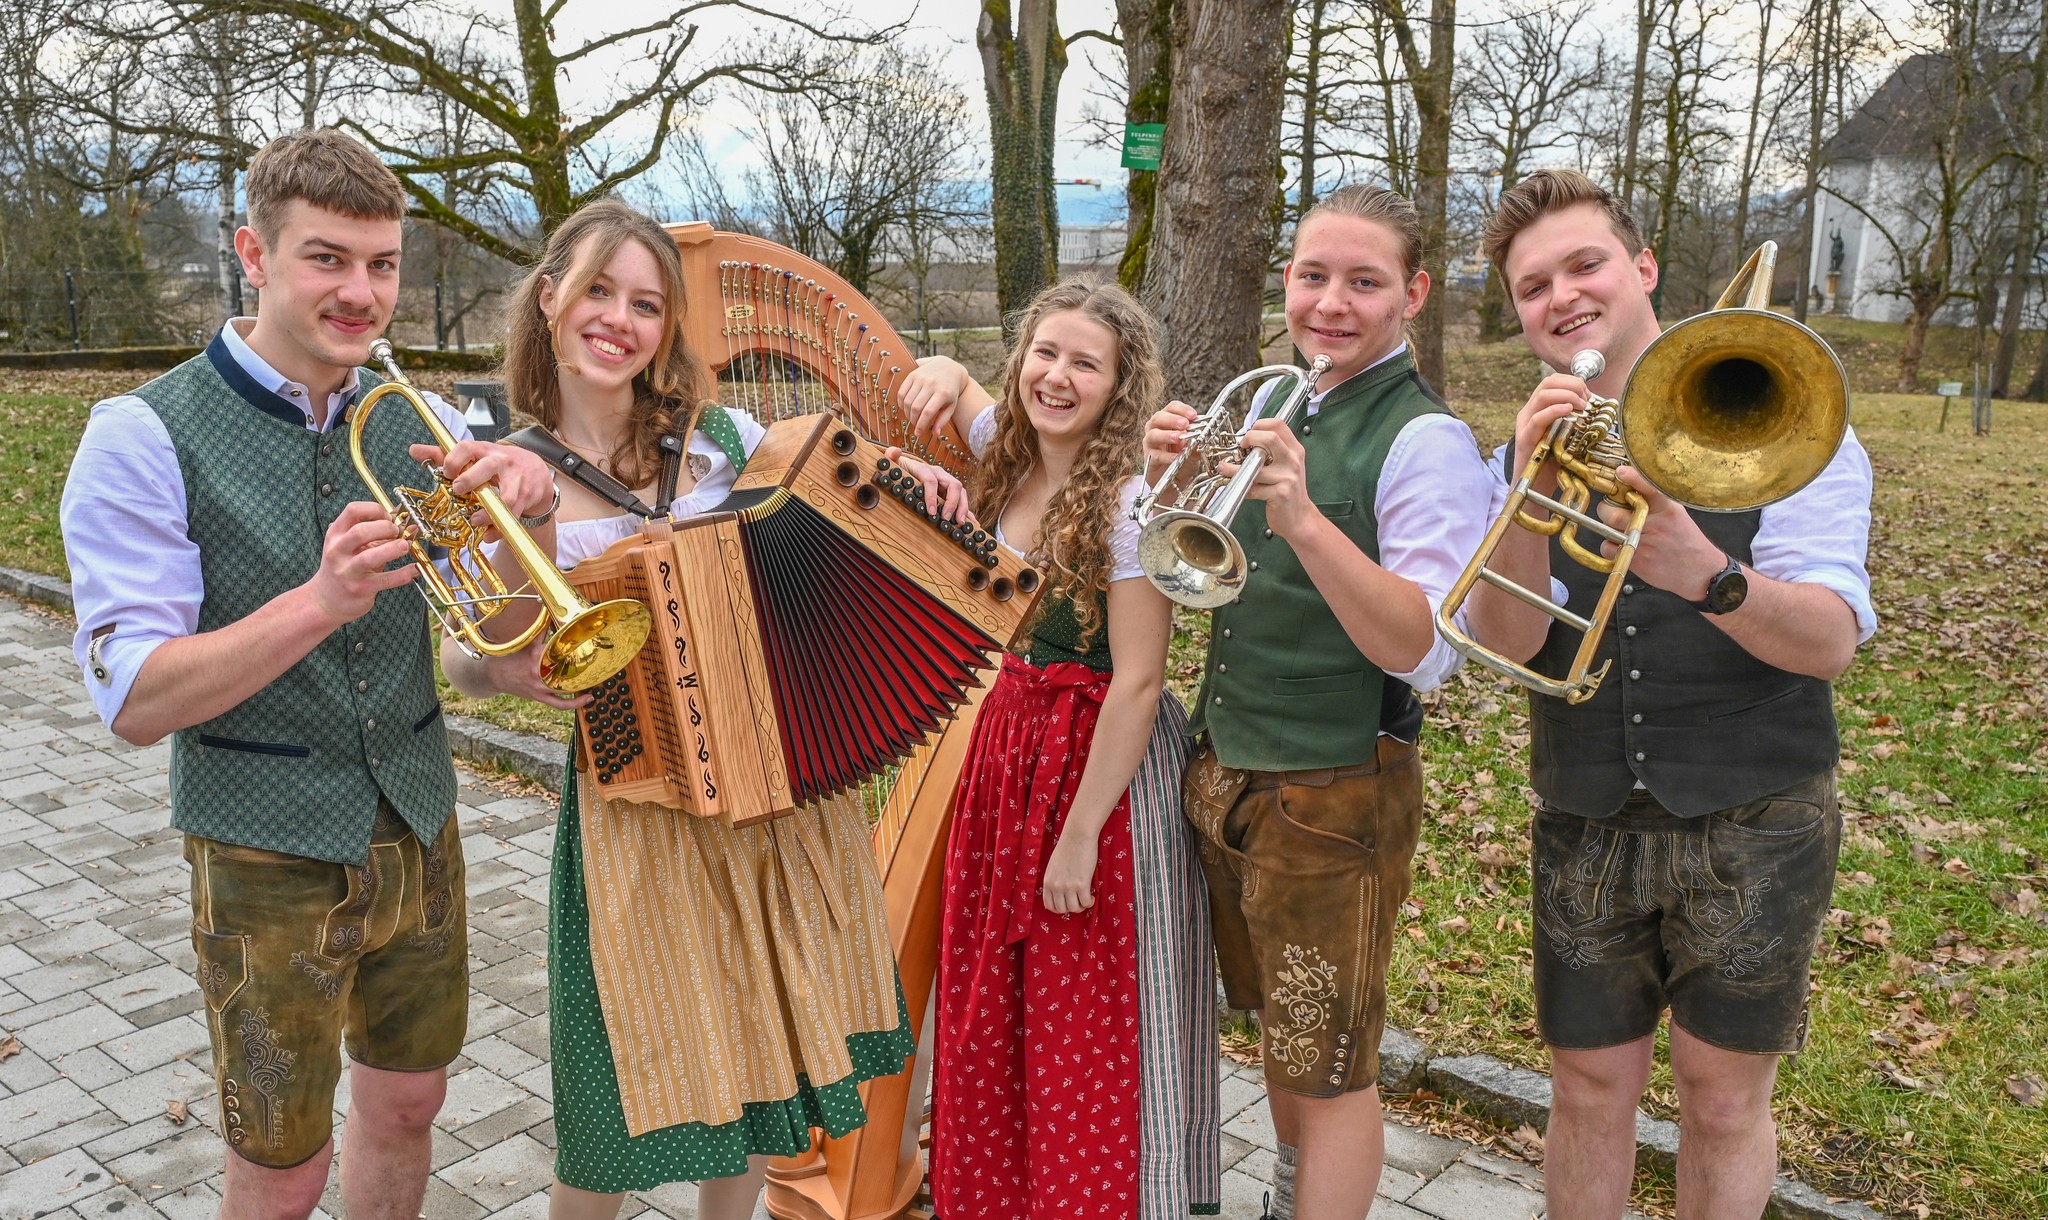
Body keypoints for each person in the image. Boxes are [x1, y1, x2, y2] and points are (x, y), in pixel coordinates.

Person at [58, 128, 557, 1220]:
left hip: (419, 823)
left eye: (382, 264)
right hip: (262, 847)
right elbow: (135, 701)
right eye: (326, 258)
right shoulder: (142, 432)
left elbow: (505, 637)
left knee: (412, 1104)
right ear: (254, 253)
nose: (361, 293)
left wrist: (536, 517)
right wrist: (318, 601)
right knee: (282, 1167)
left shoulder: (422, 419)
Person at [440, 198, 961, 1220]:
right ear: (548, 298)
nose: (619, 320)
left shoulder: (723, 439)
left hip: (779, 790)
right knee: (613, 1104)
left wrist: (913, 482)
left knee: (766, 1076)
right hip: (633, 808)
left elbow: (843, 500)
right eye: (598, 290)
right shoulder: (506, 467)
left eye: (646, 304)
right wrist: (505, 672)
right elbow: (465, 652)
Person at [1459, 169, 1874, 1220]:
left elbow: (1830, 641)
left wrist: (1706, 573)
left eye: (1584, 264)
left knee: (1721, 1101)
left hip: (1756, 814)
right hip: (1586, 808)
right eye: (1532, 286)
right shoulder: (1526, 445)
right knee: (1585, 1087)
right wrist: (1524, 492)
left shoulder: (1785, 407)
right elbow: (1506, 639)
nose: (1561, 296)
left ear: (1642, 268)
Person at [1141, 185, 1502, 1220]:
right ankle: (1285, 1200)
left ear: (1412, 295)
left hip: (1336, 791)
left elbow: (1424, 649)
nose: (1330, 303)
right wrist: (1173, 476)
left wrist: (1302, 518)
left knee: (1332, 1068)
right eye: (1312, 275)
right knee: (1283, 1037)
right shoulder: (1284, 401)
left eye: (1363, 282)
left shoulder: (1424, 438)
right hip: (1235, 773)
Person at [901, 278, 1221, 1220]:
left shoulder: (1130, 504)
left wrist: (1080, 834)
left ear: (1119, 388)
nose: (1058, 377)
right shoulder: (1005, 453)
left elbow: (1140, 682)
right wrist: (943, 365)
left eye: (1087, 364)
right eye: (1045, 353)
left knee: (1079, 1015)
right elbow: (959, 393)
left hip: (1097, 776)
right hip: (1007, 753)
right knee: (995, 1002)